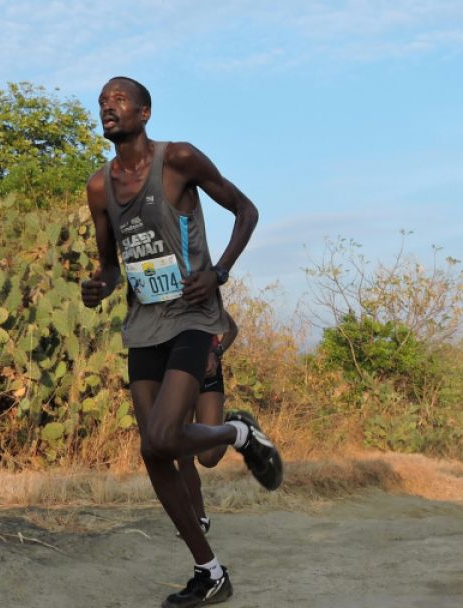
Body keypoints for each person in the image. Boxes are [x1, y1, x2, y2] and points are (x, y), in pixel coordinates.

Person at [81, 77, 282, 607]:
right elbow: (109, 268)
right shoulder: (99, 188)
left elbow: (246, 210)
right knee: (154, 453)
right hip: (143, 325)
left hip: (193, 317)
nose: (107, 107)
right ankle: (209, 572)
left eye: (118, 99)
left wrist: (218, 272)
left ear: (144, 113)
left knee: (164, 436)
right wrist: (98, 286)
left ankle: (237, 434)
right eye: (102, 101)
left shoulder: (180, 160)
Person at [177, 311, 238, 536]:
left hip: (208, 374)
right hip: (177, 376)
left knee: (208, 458)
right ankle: (199, 517)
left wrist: (216, 352)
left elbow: (232, 328)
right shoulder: (164, 296)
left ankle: (235, 429)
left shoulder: (204, 294)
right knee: (182, 452)